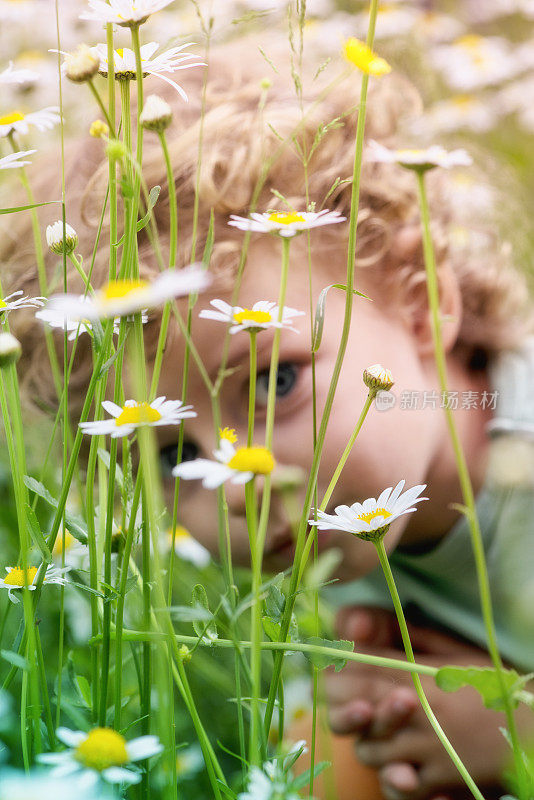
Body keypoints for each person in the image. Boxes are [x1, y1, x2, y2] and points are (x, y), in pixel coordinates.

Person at [4, 32, 534, 800]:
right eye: (169, 456)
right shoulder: (343, 530)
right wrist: (372, 722)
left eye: (272, 382)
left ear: (424, 305)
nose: (237, 484)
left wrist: (513, 731)